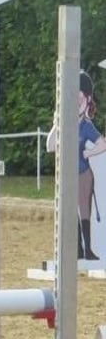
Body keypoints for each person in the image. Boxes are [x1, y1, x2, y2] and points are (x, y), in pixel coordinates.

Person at [77, 70, 106, 260]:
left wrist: (88, 153)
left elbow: (102, 143)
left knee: (84, 211)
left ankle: (88, 249)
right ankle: (77, 249)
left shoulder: (86, 125)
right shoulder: (65, 123)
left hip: (83, 173)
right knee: (71, 211)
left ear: (87, 99)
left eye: (79, 99)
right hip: (68, 174)